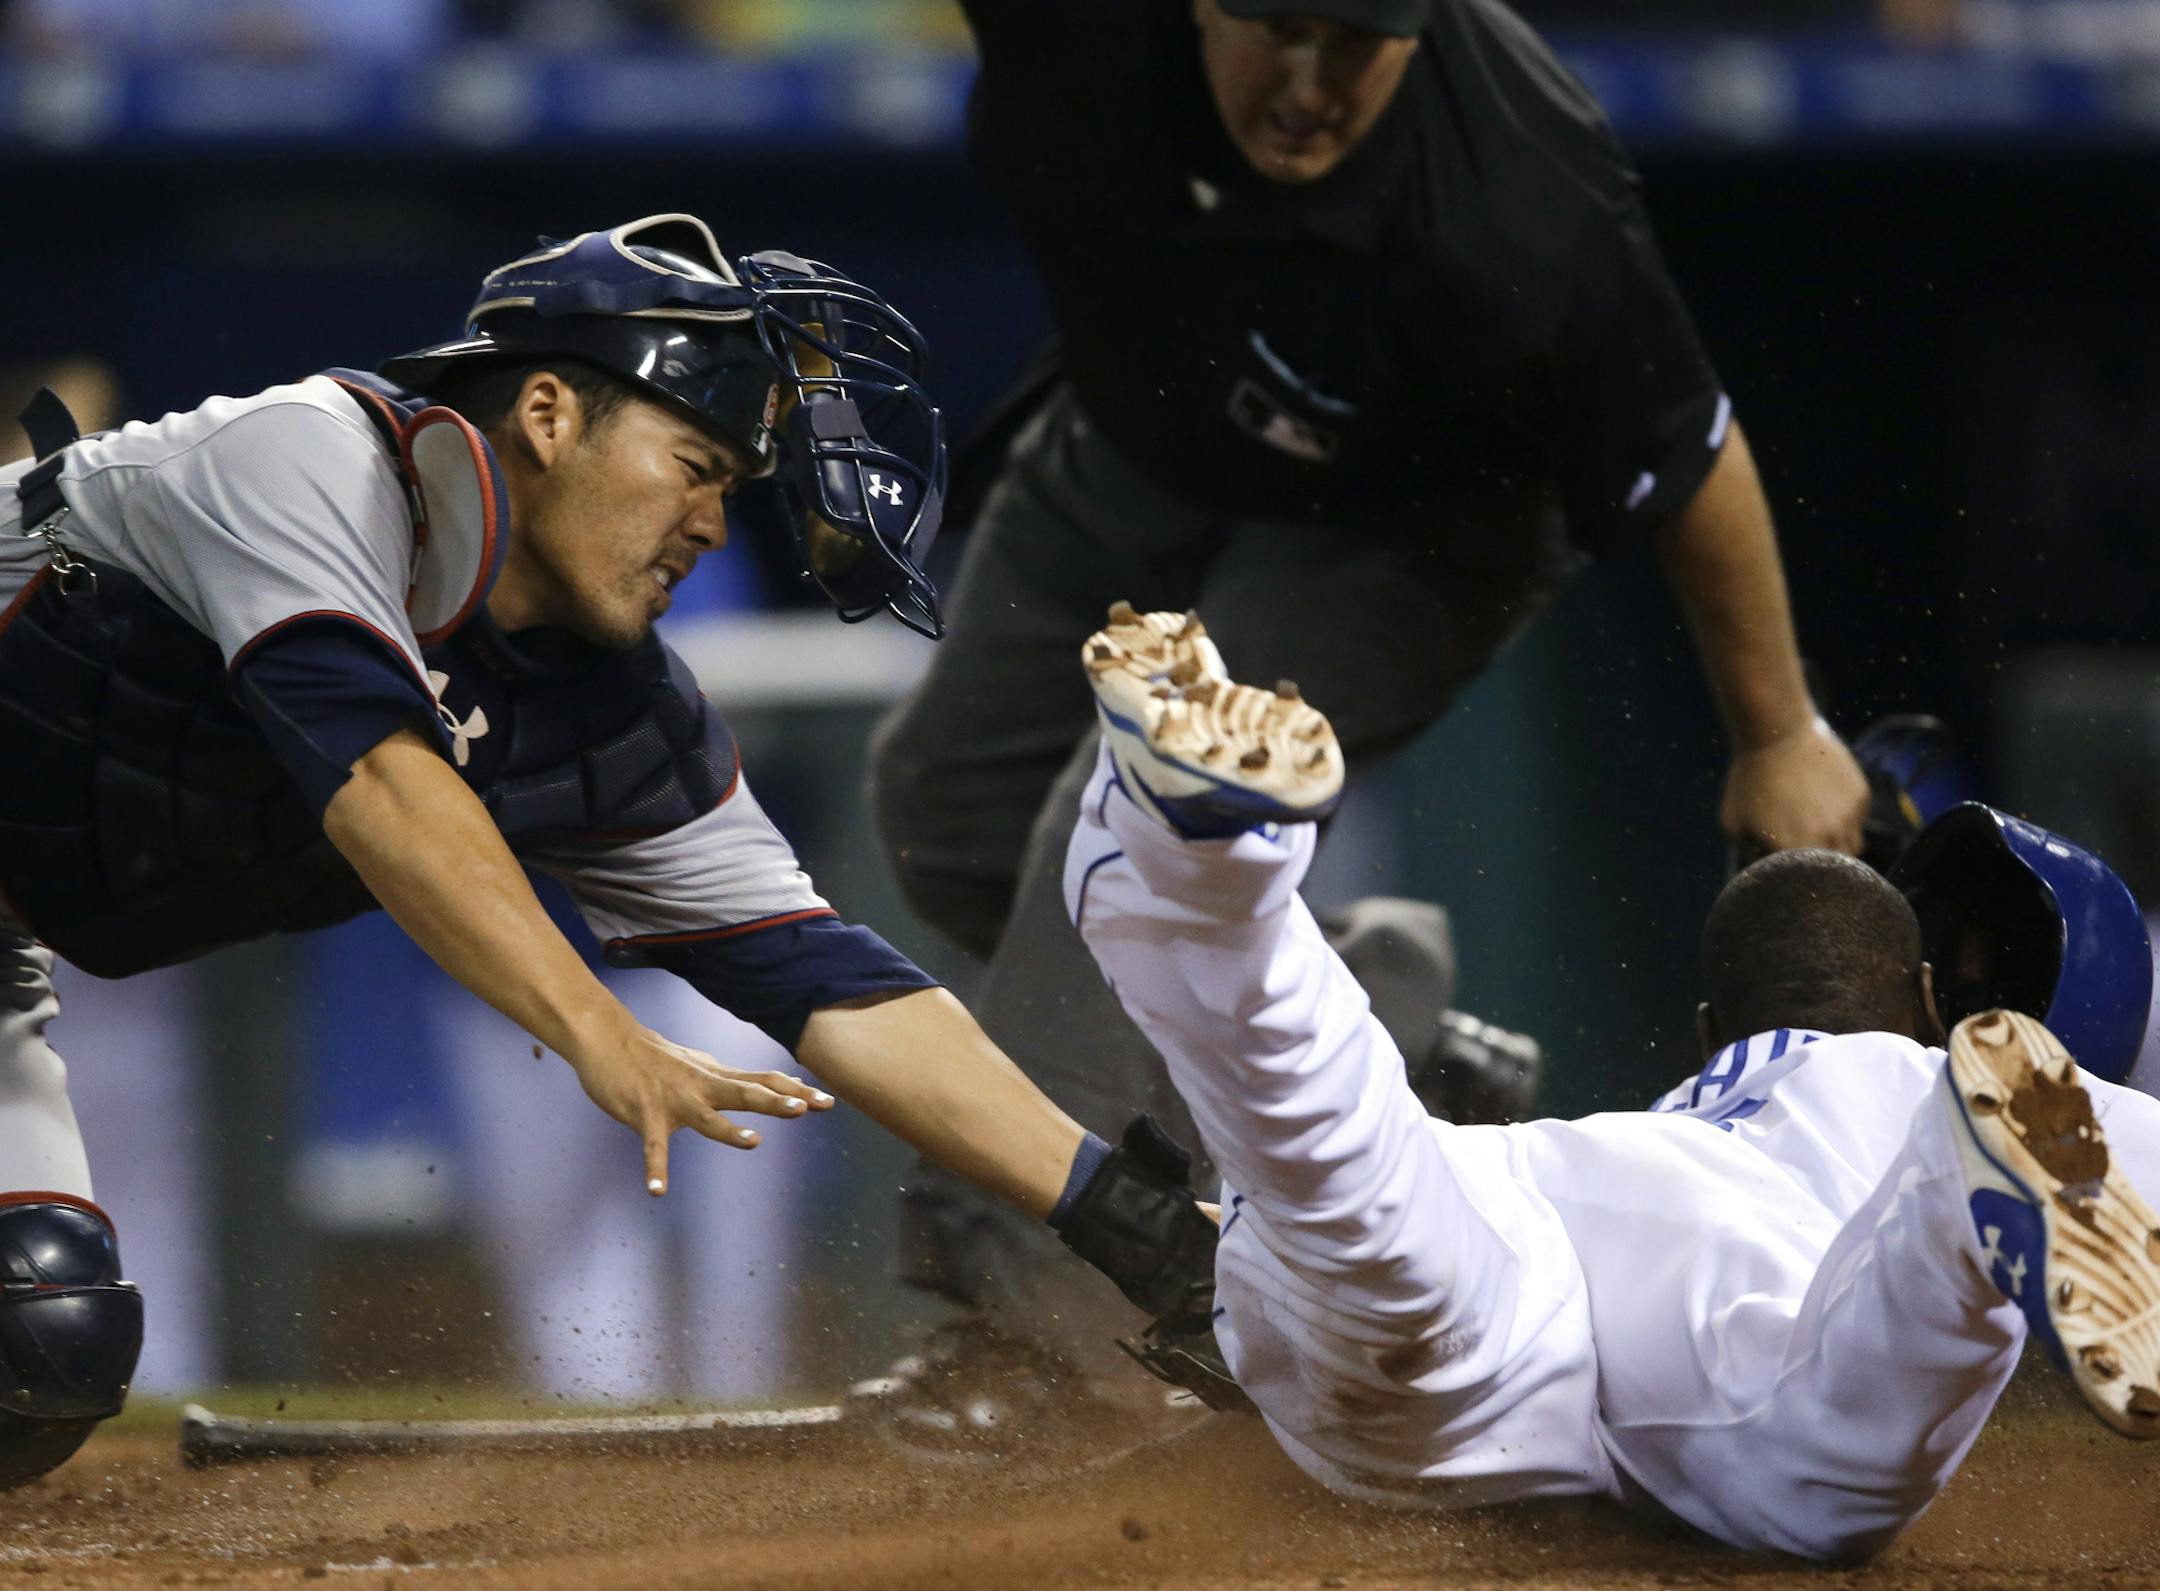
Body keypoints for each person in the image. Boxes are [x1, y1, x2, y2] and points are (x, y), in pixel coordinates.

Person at [0, 214, 1220, 1486]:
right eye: (696, 462)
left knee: (45, 1349)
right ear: (545, 413)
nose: (710, 520)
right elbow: (381, 781)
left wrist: (1134, 1228)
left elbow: (837, 982)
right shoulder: (309, 458)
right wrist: (601, 1027)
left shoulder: (607, 709)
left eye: (733, 488)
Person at [869, 0, 1872, 1403]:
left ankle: (1032, 1343)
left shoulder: (1518, 196)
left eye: (1355, 37)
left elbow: (1687, 449)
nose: (1307, 78)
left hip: (1412, 518)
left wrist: (1779, 729)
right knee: (947, 809)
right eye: (1274, 22)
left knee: (1129, 816)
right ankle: (1387, 1032)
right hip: (1143, 429)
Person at [1062, 603, 2160, 1560]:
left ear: (1706, 1033)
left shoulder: (1670, 1122)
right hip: (1789, 1266)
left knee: (1332, 1153)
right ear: (1934, 1011)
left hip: (1527, 1204)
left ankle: (1206, 859)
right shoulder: (1918, 1082)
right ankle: (1966, 1198)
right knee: (1823, 1426)